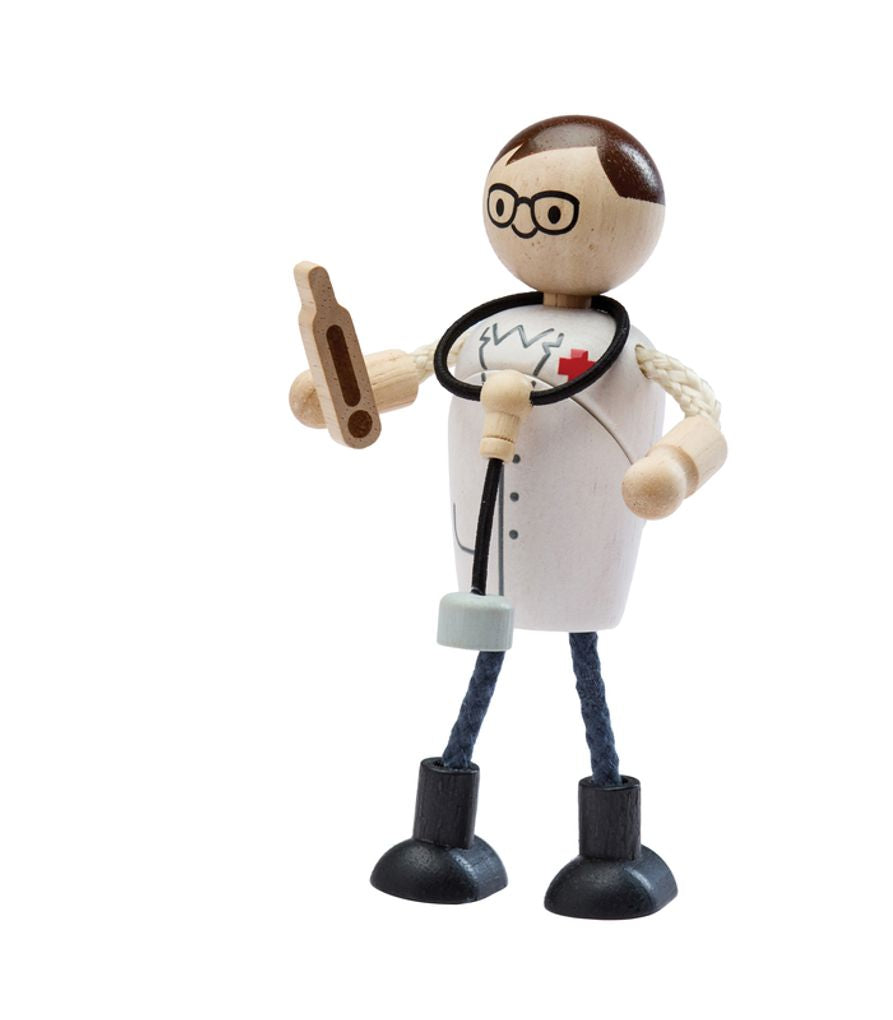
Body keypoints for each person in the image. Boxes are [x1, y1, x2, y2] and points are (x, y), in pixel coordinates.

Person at [290, 115, 727, 918]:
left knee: (579, 657)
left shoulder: (624, 349)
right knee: (490, 653)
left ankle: (611, 855)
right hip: (485, 545)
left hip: (584, 546)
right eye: (513, 208)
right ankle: (444, 841)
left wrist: (672, 468)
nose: (528, 223)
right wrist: (341, 391)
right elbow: (417, 367)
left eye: (551, 211)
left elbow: (702, 413)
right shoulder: (480, 336)